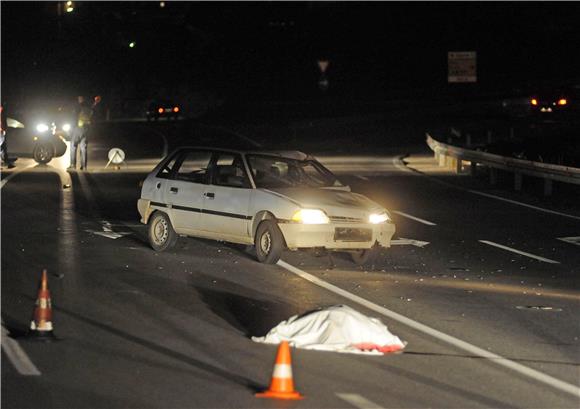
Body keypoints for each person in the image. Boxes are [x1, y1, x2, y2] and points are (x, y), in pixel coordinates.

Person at [69, 96, 93, 171]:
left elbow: (73, 118)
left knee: (73, 146)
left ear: (80, 99)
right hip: (86, 129)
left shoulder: (78, 107)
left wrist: (71, 130)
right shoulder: (89, 108)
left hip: (77, 129)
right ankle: (84, 165)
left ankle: (73, 165)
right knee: (83, 148)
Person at [1, 103, 15, 169]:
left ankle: (8, 163)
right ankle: (8, 163)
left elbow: (4, 123)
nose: (2, 108)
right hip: (1, 133)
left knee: (4, 148)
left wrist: (4, 129)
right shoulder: (2, 114)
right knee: (2, 148)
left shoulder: (2, 114)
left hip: (2, 133)